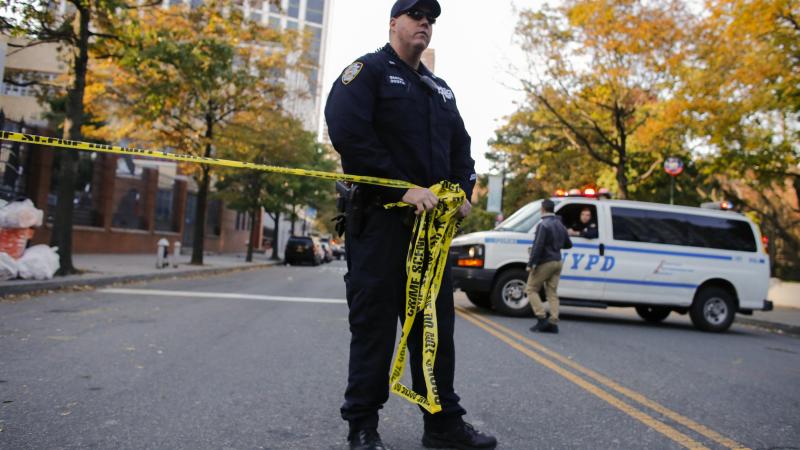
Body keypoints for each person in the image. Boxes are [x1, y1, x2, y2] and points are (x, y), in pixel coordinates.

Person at [324, 1, 497, 449]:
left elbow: (463, 148)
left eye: (431, 18)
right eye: (416, 15)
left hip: (431, 235)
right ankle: (362, 428)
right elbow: (349, 134)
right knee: (374, 329)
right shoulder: (368, 72)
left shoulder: (439, 90)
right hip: (381, 227)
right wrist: (400, 188)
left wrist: (462, 192)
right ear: (394, 23)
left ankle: (442, 427)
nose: (425, 23)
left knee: (432, 332)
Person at [526, 199, 573, 334]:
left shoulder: (543, 225)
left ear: (542, 209)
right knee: (552, 292)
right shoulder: (560, 225)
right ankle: (553, 321)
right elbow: (569, 244)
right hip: (558, 261)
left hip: (545, 261)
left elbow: (538, 246)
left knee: (531, 288)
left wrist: (531, 263)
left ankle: (541, 318)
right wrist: (556, 245)